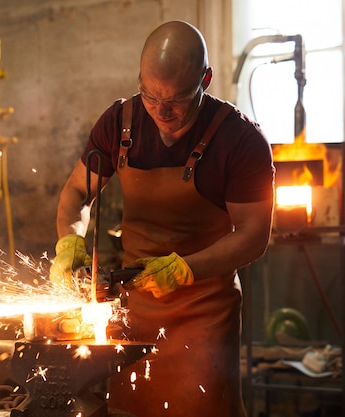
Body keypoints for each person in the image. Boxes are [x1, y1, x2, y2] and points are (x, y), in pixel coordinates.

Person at [49, 20, 274, 417]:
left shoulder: (240, 141)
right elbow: (76, 193)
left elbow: (255, 235)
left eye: (177, 99)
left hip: (204, 312)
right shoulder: (118, 124)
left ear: (205, 79)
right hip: (135, 311)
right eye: (150, 96)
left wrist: (184, 269)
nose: (162, 111)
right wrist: (70, 239)